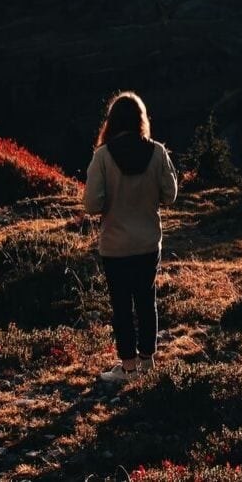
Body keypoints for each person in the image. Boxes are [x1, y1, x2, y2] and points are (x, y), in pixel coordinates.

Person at [83, 90, 178, 383]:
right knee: (146, 300)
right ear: (141, 119)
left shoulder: (102, 156)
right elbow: (170, 195)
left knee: (121, 306)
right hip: (148, 242)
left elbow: (91, 204)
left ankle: (128, 368)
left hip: (115, 245)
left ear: (111, 121)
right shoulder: (158, 152)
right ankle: (148, 360)